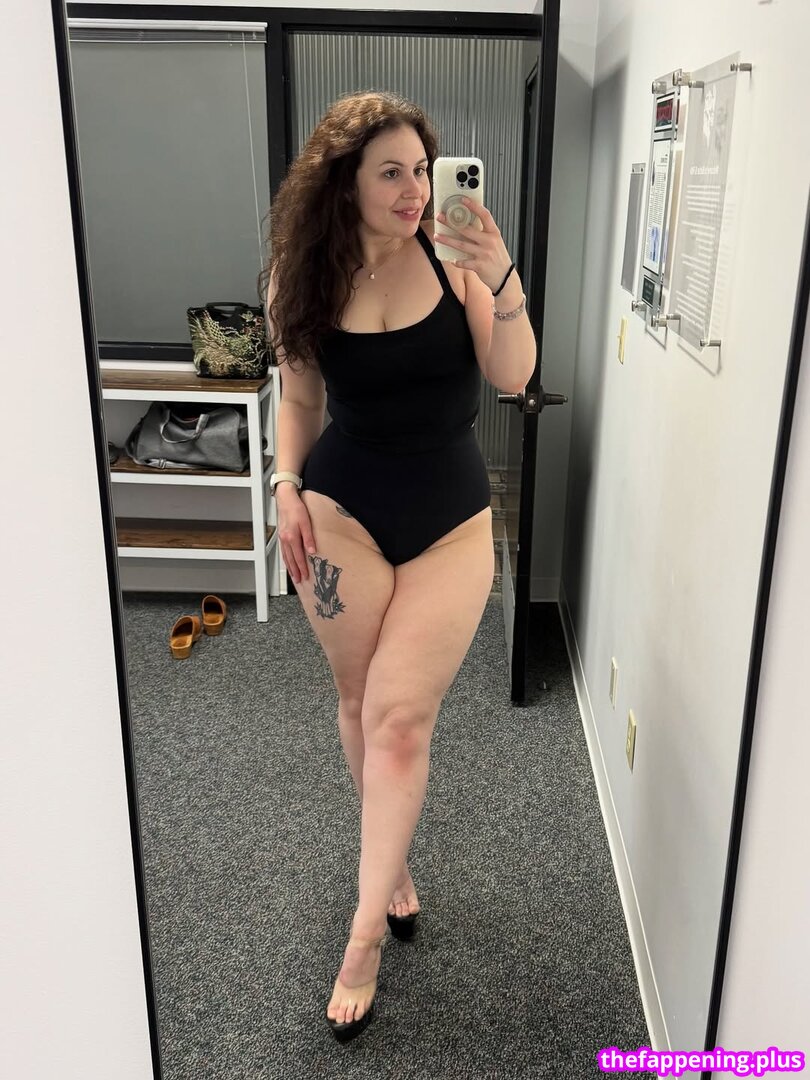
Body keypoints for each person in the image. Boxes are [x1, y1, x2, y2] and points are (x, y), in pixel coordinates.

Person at [259, 90, 535, 1042]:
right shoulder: (302, 274)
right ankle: (395, 867)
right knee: (358, 704)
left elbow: (513, 376)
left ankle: (364, 934)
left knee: (401, 719)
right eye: (391, 173)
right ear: (345, 182)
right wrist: (284, 483)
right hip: (340, 513)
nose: (415, 189)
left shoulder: (455, 259)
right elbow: (300, 401)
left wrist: (502, 276)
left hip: (450, 521)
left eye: (421, 169)